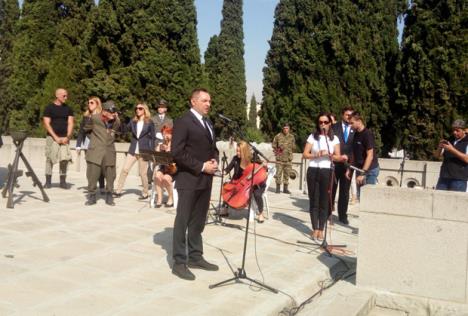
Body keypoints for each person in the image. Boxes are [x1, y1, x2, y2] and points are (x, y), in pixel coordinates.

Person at [171, 88, 219, 281]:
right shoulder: (183, 122)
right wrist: (201, 166)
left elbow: (212, 147)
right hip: (189, 179)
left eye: (209, 101)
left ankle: (196, 256)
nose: (208, 104)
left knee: (198, 220)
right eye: (205, 100)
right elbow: (177, 152)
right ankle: (179, 262)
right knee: (183, 220)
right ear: (193, 101)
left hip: (205, 180)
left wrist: (214, 160)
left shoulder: (208, 122)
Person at [303, 113, 347, 241]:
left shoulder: (334, 139)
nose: (322, 124)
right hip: (313, 170)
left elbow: (337, 157)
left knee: (324, 201)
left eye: (325, 122)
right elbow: (305, 154)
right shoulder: (312, 137)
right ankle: (314, 228)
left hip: (327, 171)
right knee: (313, 200)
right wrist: (317, 154)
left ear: (330, 123)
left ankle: (321, 229)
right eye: (320, 122)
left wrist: (335, 156)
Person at [114, 103, 155, 200]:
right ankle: (118, 190)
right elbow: (124, 130)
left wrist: (152, 152)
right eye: (136, 108)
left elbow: (153, 138)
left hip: (144, 151)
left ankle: (145, 193)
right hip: (132, 150)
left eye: (140, 108)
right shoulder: (133, 121)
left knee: (143, 173)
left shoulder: (149, 122)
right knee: (125, 170)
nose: (138, 110)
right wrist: (120, 119)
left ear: (145, 110)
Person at [83, 101, 121, 206]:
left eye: (114, 112)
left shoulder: (116, 121)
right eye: (110, 112)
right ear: (104, 111)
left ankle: (109, 196)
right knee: (92, 174)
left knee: (110, 175)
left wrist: (115, 119)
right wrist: (94, 141)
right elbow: (86, 129)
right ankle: (92, 196)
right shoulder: (94, 118)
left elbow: (120, 131)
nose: (112, 114)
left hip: (109, 151)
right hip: (95, 151)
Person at [220, 141, 267, 223]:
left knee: (257, 194)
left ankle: (261, 213)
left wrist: (264, 164)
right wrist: (223, 172)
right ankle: (225, 208)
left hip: (255, 183)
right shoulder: (236, 158)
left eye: (239, 151)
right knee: (227, 187)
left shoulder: (253, 158)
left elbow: (262, 169)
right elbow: (228, 169)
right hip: (239, 182)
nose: (237, 153)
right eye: (237, 151)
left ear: (245, 151)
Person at [42, 88, 74, 189]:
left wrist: (68, 137)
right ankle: (48, 182)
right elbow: (46, 124)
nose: (66, 97)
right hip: (52, 138)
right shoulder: (49, 108)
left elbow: (70, 123)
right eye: (64, 96)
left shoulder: (68, 108)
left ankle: (63, 181)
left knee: (64, 159)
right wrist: (55, 137)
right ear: (57, 95)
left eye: (66, 95)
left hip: (64, 138)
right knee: (49, 159)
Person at [346, 111, 380, 198]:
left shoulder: (367, 134)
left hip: (369, 170)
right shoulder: (355, 134)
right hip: (359, 169)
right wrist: (349, 169)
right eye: (349, 123)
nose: (350, 125)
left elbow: (370, 156)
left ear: (359, 121)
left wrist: (362, 174)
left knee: (369, 198)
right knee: (361, 197)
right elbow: (354, 153)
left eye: (352, 123)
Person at [76, 97, 105, 191]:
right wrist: (78, 145)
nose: (89, 104)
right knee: (90, 165)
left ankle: (101, 185)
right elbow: (81, 131)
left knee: (98, 164)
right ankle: (91, 186)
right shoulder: (86, 116)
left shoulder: (102, 116)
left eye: (92, 103)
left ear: (97, 104)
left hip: (99, 143)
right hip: (87, 142)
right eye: (88, 103)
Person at [331, 106, 354, 224]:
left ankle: (342, 215)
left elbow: (356, 149)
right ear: (342, 115)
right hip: (335, 163)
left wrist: (350, 165)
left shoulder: (355, 128)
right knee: (331, 189)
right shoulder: (334, 127)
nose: (349, 117)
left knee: (345, 191)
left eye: (351, 115)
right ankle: (328, 213)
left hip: (347, 165)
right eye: (347, 115)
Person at [435, 119, 467, 192]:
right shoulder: (449, 140)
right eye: (453, 130)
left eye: (457, 130)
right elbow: (437, 156)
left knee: (456, 202)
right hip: (443, 177)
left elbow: (467, 159)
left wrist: (452, 150)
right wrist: (439, 147)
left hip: (459, 179)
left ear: (464, 130)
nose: (454, 132)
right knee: (439, 201)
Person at [153, 125, 175, 207]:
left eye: (167, 134)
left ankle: (170, 198)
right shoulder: (162, 144)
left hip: (173, 168)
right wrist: (158, 148)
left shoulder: (176, 145)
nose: (165, 136)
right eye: (164, 134)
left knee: (166, 178)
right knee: (157, 176)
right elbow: (155, 156)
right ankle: (159, 198)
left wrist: (169, 149)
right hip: (164, 167)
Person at [272, 122, 295, 194]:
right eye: (284, 128)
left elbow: (293, 147)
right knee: (278, 173)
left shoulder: (292, 137)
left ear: (289, 129)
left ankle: (285, 189)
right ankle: (278, 188)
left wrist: (290, 152)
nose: (285, 129)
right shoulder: (278, 136)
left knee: (287, 174)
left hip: (288, 159)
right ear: (282, 128)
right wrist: (277, 151)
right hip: (280, 159)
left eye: (287, 128)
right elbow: (273, 145)